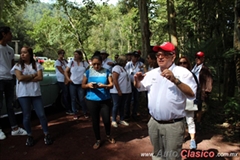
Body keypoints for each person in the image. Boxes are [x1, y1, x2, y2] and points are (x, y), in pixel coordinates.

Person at [134, 42, 197, 160]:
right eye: (158, 55)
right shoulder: (152, 73)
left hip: (173, 125)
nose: (160, 57)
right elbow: (140, 87)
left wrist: (175, 80)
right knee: (157, 155)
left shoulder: (184, 73)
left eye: (165, 55)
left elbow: (192, 94)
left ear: (173, 57)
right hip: (154, 123)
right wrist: (137, 80)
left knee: (172, 157)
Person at [10, 46, 53, 146]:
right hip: (23, 94)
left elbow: (40, 77)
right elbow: (20, 78)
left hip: (35, 93)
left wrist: (27, 78)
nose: (22, 55)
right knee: (26, 115)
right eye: (21, 53)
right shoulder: (18, 65)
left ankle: (46, 134)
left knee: (41, 114)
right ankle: (29, 135)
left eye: (25, 52)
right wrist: (33, 76)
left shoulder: (37, 65)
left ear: (30, 54)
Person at [82, 54, 115, 150]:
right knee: (95, 120)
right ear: (91, 63)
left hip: (105, 100)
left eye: (99, 64)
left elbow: (111, 84)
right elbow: (82, 85)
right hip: (91, 100)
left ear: (102, 63)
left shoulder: (107, 71)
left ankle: (108, 135)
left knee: (106, 120)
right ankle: (98, 139)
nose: (96, 66)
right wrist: (88, 85)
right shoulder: (88, 72)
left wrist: (104, 86)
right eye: (94, 64)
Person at [0, 26, 27, 140]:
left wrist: (15, 78)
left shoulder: (10, 50)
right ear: (3, 34)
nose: (11, 36)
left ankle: (14, 128)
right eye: (9, 34)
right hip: (0, 79)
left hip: (9, 80)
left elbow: (12, 66)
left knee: (10, 105)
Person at [177, 56, 198, 149]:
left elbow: (196, 89)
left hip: (189, 101)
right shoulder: (175, 75)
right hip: (178, 101)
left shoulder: (191, 74)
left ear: (188, 64)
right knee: (179, 121)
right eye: (180, 63)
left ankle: (193, 140)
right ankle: (180, 138)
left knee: (190, 120)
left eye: (184, 63)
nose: (182, 65)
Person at [64, 50, 89, 120]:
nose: (75, 56)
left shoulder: (84, 63)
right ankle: (75, 112)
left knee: (81, 99)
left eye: (77, 54)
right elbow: (65, 71)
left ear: (80, 55)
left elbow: (88, 71)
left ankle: (85, 111)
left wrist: (85, 79)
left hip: (81, 83)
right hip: (73, 83)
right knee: (73, 99)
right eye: (74, 54)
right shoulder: (71, 63)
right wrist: (68, 79)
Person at [191, 51, 213, 130]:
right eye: (197, 57)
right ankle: (194, 125)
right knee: (193, 108)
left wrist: (207, 91)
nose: (198, 59)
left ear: (203, 59)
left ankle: (198, 124)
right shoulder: (193, 68)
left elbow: (209, 80)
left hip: (201, 92)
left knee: (200, 109)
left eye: (199, 57)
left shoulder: (205, 69)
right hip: (193, 92)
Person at [110, 55, 131, 127]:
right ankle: (114, 120)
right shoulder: (116, 68)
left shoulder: (123, 68)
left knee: (122, 105)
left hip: (125, 90)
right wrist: (118, 90)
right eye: (125, 61)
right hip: (116, 91)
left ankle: (122, 119)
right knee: (116, 105)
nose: (126, 62)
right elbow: (115, 80)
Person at [125, 51, 144, 120]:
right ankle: (127, 114)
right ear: (131, 57)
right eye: (134, 56)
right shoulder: (128, 64)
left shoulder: (141, 64)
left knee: (136, 99)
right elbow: (126, 73)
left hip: (137, 84)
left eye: (137, 57)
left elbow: (143, 73)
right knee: (128, 99)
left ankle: (134, 114)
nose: (135, 58)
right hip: (129, 83)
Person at [55, 49, 73, 115]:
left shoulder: (65, 61)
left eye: (63, 53)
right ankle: (68, 109)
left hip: (67, 78)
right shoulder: (57, 62)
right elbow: (61, 70)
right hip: (61, 79)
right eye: (61, 53)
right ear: (58, 54)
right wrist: (66, 75)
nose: (62, 55)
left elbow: (69, 68)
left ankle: (70, 107)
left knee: (68, 93)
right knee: (65, 93)